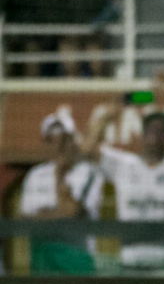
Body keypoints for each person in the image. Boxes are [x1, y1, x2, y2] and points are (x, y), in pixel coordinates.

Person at [85, 69, 164, 274]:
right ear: (142, 134)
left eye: (162, 129)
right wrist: (113, 110)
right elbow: (90, 149)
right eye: (150, 128)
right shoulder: (125, 165)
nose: (155, 133)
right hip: (131, 262)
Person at [17, 112, 103, 274]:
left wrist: (59, 174)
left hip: (77, 258)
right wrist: (57, 214)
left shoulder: (87, 172)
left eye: (63, 139)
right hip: (42, 260)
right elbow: (26, 220)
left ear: (72, 141)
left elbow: (71, 212)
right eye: (51, 140)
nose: (58, 146)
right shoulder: (35, 175)